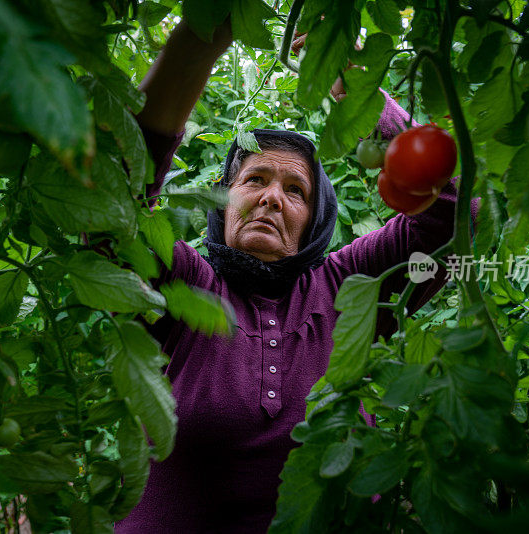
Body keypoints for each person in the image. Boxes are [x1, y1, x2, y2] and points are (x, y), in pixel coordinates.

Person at [114, 18, 477, 534]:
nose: (270, 197)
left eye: (295, 190)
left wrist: (358, 93)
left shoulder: (350, 285)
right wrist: (201, 37)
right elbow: (114, 204)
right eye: (254, 179)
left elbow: (456, 208)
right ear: (223, 199)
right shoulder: (184, 286)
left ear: (314, 219)